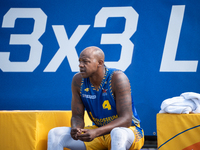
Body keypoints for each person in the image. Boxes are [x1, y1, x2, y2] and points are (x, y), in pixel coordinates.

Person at [47, 46, 144, 150]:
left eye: (85, 61)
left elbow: (126, 120)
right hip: (99, 132)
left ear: (100, 63)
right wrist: (76, 128)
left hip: (129, 131)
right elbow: (77, 116)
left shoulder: (118, 78)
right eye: (79, 61)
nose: (80, 65)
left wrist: (96, 132)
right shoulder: (78, 80)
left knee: (117, 133)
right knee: (55, 134)